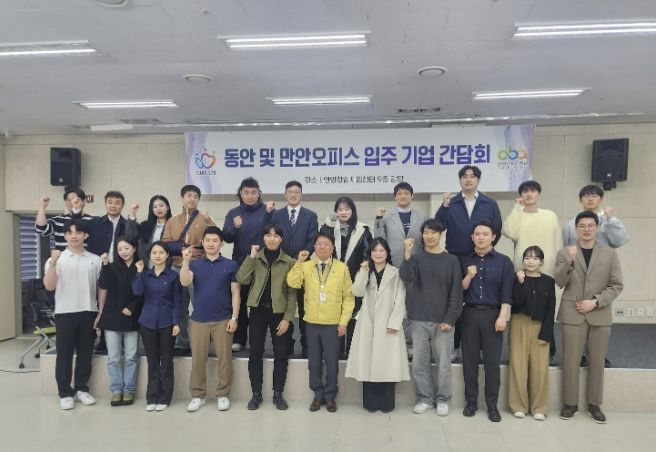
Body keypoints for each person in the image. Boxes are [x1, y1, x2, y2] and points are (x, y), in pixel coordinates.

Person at [555, 211, 623, 424]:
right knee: (571, 361)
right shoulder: (565, 252)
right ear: (576, 228)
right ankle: (570, 404)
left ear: (597, 228)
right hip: (572, 312)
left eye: (590, 225)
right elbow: (559, 281)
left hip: (599, 313)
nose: (586, 229)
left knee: (597, 361)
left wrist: (595, 302)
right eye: (582, 226)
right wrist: (570, 261)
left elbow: (616, 285)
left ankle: (594, 404)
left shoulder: (609, 253)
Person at [435, 165, 502, 361]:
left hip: (481, 256)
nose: (468, 179)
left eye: (472, 176)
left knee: (480, 300)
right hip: (456, 257)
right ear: (460, 180)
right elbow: (439, 225)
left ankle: (479, 348)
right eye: (464, 176)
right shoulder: (451, 202)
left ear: (478, 180)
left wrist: (484, 248)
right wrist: (444, 206)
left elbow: (496, 228)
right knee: (455, 301)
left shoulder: (489, 203)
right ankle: (454, 346)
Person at [399, 219, 462, 416]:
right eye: (426, 232)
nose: (430, 236)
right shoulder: (416, 259)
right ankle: (425, 398)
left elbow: (456, 292)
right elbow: (406, 277)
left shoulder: (451, 260)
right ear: (422, 235)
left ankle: (443, 399)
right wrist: (407, 254)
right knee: (419, 363)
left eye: (434, 232)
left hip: (443, 321)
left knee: (444, 364)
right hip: (418, 318)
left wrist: (450, 318)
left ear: (441, 235)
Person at [287, 231, 355, 413]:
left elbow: (348, 298)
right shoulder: (306, 266)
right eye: (319, 244)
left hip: (333, 324)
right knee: (314, 361)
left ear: (332, 248)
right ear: (314, 247)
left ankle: (330, 396)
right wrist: (299, 262)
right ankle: (318, 395)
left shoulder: (341, 268)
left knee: (332, 362)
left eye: (326, 244)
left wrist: (343, 322)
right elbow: (292, 282)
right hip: (312, 322)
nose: (323, 247)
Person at [236, 224, 297, 410]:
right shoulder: (255, 258)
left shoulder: (289, 261)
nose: (272, 239)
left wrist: (287, 318)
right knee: (255, 354)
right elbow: (241, 279)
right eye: (268, 235)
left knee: (281, 354)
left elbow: (292, 293)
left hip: (279, 314)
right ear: (263, 238)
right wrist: (251, 257)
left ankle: (278, 394)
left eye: (276, 236)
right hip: (257, 312)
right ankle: (256, 394)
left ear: (281, 239)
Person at [43, 219, 101, 410]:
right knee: (64, 355)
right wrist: (53, 262)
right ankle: (65, 393)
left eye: (78, 232)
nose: (74, 236)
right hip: (65, 312)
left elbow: (101, 287)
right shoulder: (56, 259)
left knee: (85, 353)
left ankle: (82, 389)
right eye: (70, 232)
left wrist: (100, 311)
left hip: (89, 311)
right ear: (65, 236)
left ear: (85, 235)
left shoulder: (95, 259)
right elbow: (49, 285)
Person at [180, 226, 240, 413]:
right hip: (199, 320)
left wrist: (234, 317)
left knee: (225, 359)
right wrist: (185, 261)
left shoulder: (231, 265)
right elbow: (184, 281)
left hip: (223, 319)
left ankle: (223, 394)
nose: (211, 244)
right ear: (202, 243)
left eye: (215, 241)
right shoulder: (195, 265)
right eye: (208, 240)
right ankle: (198, 395)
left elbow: (235, 293)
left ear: (221, 244)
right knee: (198, 360)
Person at [346, 238, 408, 413]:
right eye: (375, 251)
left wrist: (395, 322)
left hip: (389, 323)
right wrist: (363, 271)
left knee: (388, 363)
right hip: (368, 323)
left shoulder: (396, 273)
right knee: (369, 361)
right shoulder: (366, 270)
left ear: (387, 253)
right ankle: (371, 402)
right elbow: (357, 291)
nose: (378, 254)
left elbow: (401, 298)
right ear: (370, 253)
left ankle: (387, 402)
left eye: (381, 250)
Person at [460, 219, 514, 422]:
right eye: (477, 234)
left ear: (493, 237)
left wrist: (503, 316)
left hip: (494, 316)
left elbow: (507, 293)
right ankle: (471, 402)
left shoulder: (504, 262)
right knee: (469, 362)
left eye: (485, 234)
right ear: (472, 237)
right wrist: (468, 276)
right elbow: (460, 289)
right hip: (470, 314)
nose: (481, 237)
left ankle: (492, 405)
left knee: (492, 363)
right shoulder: (464, 260)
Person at [161, 184, 216, 356]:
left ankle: (202, 343)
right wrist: (184, 249)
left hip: (199, 268)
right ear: (182, 198)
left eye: (195, 196)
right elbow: (165, 245)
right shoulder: (172, 221)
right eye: (189, 195)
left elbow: (215, 240)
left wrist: (208, 220)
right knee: (180, 306)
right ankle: (182, 342)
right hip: (177, 268)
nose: (192, 199)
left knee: (200, 306)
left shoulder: (204, 218)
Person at [223, 177, 275, 352]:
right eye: (246, 192)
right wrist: (235, 227)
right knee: (240, 302)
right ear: (241, 193)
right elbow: (226, 237)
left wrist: (269, 214)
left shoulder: (268, 210)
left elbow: (275, 234)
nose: (250, 196)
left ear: (259, 193)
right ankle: (239, 339)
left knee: (259, 305)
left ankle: (256, 342)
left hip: (263, 264)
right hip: (240, 264)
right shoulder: (233, 213)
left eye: (254, 192)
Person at [132, 241, 182, 412]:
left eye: (161, 252)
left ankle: (165, 397)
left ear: (167, 255)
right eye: (154, 253)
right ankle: (152, 397)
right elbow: (137, 291)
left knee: (166, 361)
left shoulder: (173, 276)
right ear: (150, 256)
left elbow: (177, 302)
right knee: (152, 361)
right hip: (147, 322)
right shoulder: (145, 275)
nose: (158, 255)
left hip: (167, 323)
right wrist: (139, 272)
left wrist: (176, 322)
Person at [271, 180, 318, 358]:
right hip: (282, 266)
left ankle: (306, 345)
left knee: (305, 307)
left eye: (296, 192)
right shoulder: (277, 215)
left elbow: (313, 239)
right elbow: (273, 237)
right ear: (285, 194)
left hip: (304, 266)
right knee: (284, 306)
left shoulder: (310, 215)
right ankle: (286, 344)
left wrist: (304, 254)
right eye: (289, 192)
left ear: (301, 195)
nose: (293, 195)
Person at [508, 246, 556, 421]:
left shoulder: (548, 281)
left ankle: (539, 407)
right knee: (518, 365)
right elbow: (516, 304)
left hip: (540, 325)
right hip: (519, 323)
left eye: (535, 258)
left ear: (541, 262)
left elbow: (551, 309)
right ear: (523, 261)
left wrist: (546, 334)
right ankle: (518, 405)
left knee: (540, 367)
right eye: (527, 258)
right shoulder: (516, 278)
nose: (531, 261)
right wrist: (520, 284)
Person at [321, 196, 372, 357]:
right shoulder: (331, 227)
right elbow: (321, 242)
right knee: (335, 314)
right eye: (340, 209)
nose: (343, 212)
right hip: (333, 278)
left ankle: (351, 350)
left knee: (353, 315)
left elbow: (368, 253)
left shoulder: (362, 229)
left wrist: (363, 271)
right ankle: (335, 350)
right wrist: (329, 223)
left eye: (346, 209)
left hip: (355, 278)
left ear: (352, 211)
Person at [95, 235, 143, 406]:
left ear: (134, 249)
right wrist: (105, 265)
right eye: (120, 249)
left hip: (132, 317)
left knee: (131, 357)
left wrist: (132, 307)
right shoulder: (112, 266)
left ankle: (129, 390)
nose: (123, 252)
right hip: (112, 316)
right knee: (113, 358)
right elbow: (103, 284)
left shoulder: (141, 266)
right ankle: (116, 390)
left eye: (127, 248)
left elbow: (142, 292)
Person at [87, 190, 131, 354]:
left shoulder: (127, 225)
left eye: (117, 202)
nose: (113, 205)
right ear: (105, 204)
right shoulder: (95, 223)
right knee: (98, 304)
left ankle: (116, 339)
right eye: (110, 202)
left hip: (119, 270)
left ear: (122, 205)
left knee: (116, 303)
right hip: (98, 268)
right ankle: (100, 339)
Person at [502, 181, 561, 276]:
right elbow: (509, 232)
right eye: (525, 191)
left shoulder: (550, 216)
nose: (529, 194)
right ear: (520, 195)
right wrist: (517, 207)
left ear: (538, 194)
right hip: (522, 267)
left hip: (547, 267)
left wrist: (558, 265)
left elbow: (558, 243)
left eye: (533, 191)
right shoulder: (517, 214)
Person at [374, 182, 426, 267]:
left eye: (406, 193)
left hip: (417, 262)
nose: (403, 196)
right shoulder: (386, 217)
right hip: (393, 263)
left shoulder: (422, 217)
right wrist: (378, 218)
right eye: (399, 194)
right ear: (395, 197)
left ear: (412, 196)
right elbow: (379, 239)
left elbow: (426, 241)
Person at [562, 184, 629, 248]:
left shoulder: (608, 221)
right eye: (586, 196)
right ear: (580, 200)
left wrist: (611, 219)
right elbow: (566, 249)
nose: (590, 199)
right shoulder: (571, 225)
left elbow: (620, 241)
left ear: (601, 199)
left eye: (594, 196)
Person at [35, 186, 93, 251]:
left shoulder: (93, 221)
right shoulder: (58, 220)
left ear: (83, 201)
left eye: (76, 200)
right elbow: (40, 229)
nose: (72, 202)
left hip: (85, 257)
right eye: (68, 200)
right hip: (62, 257)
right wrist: (42, 206)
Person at [125, 195, 172, 265]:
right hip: (146, 267)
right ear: (152, 210)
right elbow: (130, 237)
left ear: (167, 207)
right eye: (155, 207)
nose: (158, 209)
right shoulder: (145, 225)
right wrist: (132, 214)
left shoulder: (173, 225)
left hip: (166, 267)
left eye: (161, 205)